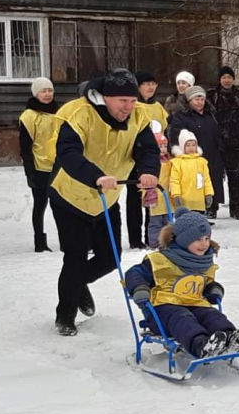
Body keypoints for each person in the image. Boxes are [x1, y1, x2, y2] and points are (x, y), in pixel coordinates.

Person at [49, 69, 159, 336]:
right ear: (105, 97)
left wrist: (148, 170)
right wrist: (95, 176)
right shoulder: (78, 113)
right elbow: (68, 154)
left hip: (107, 199)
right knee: (75, 257)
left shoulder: (140, 115)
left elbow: (148, 149)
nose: (129, 107)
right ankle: (65, 315)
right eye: (123, 101)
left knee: (110, 258)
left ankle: (78, 284)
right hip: (70, 196)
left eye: (132, 101)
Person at [125, 208, 239, 358]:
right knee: (183, 318)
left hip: (194, 303)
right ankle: (201, 345)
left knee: (211, 315)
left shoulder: (203, 262)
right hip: (163, 309)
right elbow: (134, 273)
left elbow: (206, 282)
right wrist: (139, 288)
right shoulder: (160, 260)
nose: (204, 244)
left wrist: (213, 288)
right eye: (197, 239)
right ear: (183, 240)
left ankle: (230, 338)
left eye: (206, 238)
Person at [124, 71, 168, 249]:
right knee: (135, 198)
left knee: (154, 197)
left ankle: (152, 236)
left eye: (153, 84)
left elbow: (164, 129)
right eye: (146, 84)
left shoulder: (158, 107)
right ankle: (135, 239)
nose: (150, 87)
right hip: (134, 157)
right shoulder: (132, 107)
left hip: (154, 157)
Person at [169, 86, 225, 220]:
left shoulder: (210, 114)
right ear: (189, 100)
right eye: (196, 99)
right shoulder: (181, 117)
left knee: (210, 181)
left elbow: (217, 132)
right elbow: (176, 136)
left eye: (202, 98)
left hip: (211, 153)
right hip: (190, 157)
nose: (200, 102)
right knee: (193, 184)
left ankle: (211, 207)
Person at [19, 77, 60, 252]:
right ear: (36, 93)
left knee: (61, 206)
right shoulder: (29, 117)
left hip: (59, 166)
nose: (47, 94)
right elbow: (25, 147)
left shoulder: (59, 113)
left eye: (49, 90)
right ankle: (40, 242)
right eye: (43, 91)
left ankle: (67, 240)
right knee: (40, 204)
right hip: (39, 167)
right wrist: (30, 172)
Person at [206, 66, 239, 220]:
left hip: (235, 142)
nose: (227, 80)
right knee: (213, 176)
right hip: (215, 143)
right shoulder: (211, 96)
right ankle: (212, 207)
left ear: (233, 79)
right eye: (224, 77)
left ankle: (236, 209)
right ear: (220, 79)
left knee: (235, 176)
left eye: (229, 77)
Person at [170, 129, 214, 216]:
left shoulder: (202, 162)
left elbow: (206, 179)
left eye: (193, 145)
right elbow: (174, 180)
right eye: (188, 145)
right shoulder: (177, 162)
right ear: (183, 146)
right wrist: (176, 195)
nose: (191, 148)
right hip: (184, 200)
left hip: (198, 201)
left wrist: (208, 194)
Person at [147, 133, 172, 249]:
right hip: (155, 197)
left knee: (168, 222)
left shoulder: (170, 162)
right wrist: (147, 192)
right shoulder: (151, 163)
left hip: (168, 197)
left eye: (164, 146)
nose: (162, 149)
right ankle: (155, 243)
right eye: (160, 146)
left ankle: (167, 241)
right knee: (155, 222)